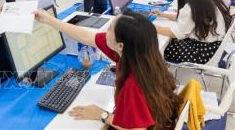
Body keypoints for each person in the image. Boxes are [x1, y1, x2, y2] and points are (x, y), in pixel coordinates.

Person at [34, 10, 181, 129]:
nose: (106, 31)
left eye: (110, 29)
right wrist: (49, 19)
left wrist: (102, 115)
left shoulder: (133, 84)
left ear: (121, 45)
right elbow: (85, 36)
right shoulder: (139, 54)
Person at [152, 0, 231, 64]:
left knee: (161, 48)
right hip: (215, 46)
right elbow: (193, 18)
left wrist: (151, 26)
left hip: (202, 51)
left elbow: (177, 33)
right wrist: (164, 15)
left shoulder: (191, 5)